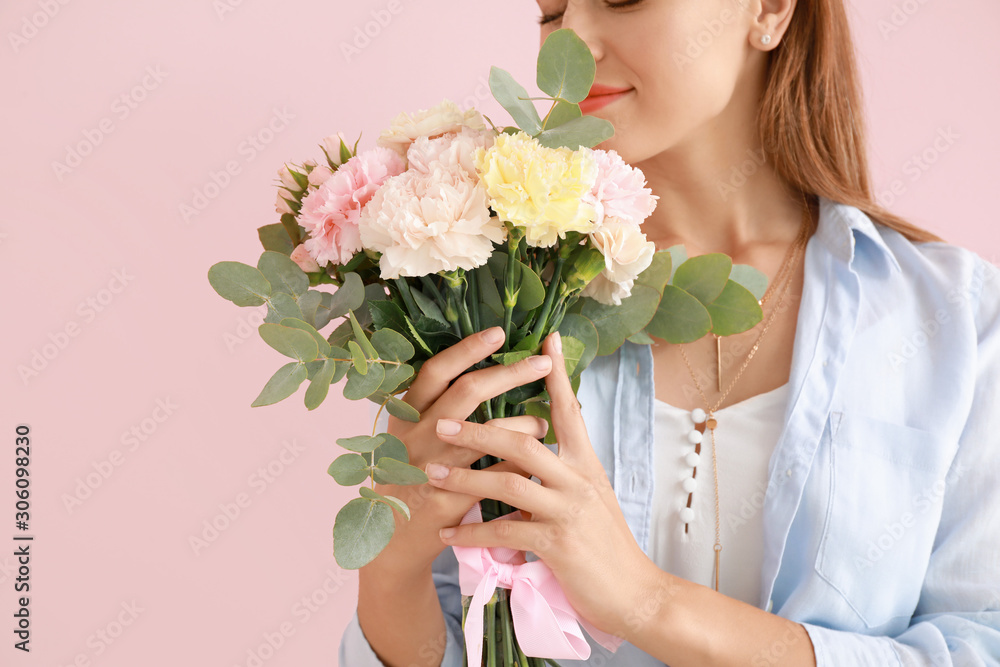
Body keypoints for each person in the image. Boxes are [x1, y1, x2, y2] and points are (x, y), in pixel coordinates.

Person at [340, 0, 1000, 664]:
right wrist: (392, 561)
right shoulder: (496, 299)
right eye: (550, 11)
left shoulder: (960, 323)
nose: (571, 43)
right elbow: (467, 640)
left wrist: (646, 600)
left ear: (768, 9)